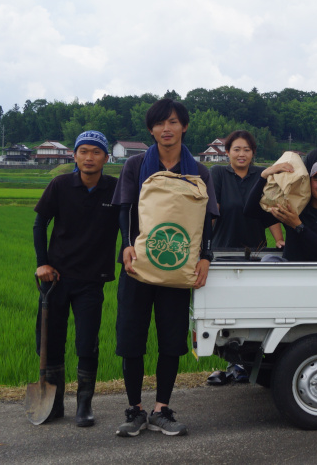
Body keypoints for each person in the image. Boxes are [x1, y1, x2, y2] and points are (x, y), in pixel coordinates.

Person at [112, 98, 219, 437]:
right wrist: (128, 246)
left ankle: (162, 409)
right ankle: (134, 409)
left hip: (177, 269)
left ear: (184, 126)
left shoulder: (198, 171)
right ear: (151, 129)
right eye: (160, 123)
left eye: (173, 122)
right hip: (139, 265)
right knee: (131, 337)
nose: (167, 129)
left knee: (172, 340)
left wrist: (205, 256)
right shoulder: (135, 166)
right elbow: (125, 211)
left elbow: (208, 221)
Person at [32, 130, 119, 427]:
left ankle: (84, 404)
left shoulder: (115, 189)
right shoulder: (60, 185)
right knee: (50, 340)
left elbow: (130, 227)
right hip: (56, 278)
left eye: (96, 152)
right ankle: (54, 403)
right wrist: (42, 263)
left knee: (86, 343)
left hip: (92, 280)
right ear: (75, 155)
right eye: (84, 151)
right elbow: (40, 223)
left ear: (106, 158)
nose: (89, 158)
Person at [244, 160, 317, 261]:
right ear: (308, 182)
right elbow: (251, 211)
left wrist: (298, 225)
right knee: (268, 259)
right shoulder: (292, 206)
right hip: (292, 269)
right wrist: (263, 176)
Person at [211, 130, 283, 251]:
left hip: (256, 251)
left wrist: (279, 240)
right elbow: (212, 210)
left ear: (253, 152)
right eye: (237, 149)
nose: (242, 154)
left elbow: (270, 210)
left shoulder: (262, 174)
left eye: (247, 150)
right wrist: (201, 243)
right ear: (227, 152)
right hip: (221, 249)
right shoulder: (218, 173)